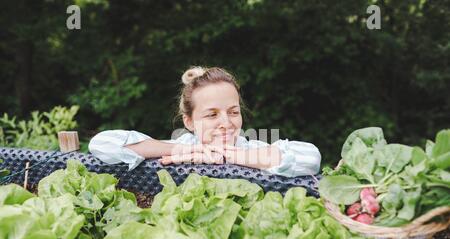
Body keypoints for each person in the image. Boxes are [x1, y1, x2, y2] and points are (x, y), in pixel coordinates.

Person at [88, 66, 321, 177]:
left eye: (233, 112)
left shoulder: (251, 148)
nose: (226, 123)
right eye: (211, 115)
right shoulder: (181, 149)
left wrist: (227, 155)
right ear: (189, 121)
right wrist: (194, 149)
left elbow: (310, 158)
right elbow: (101, 145)